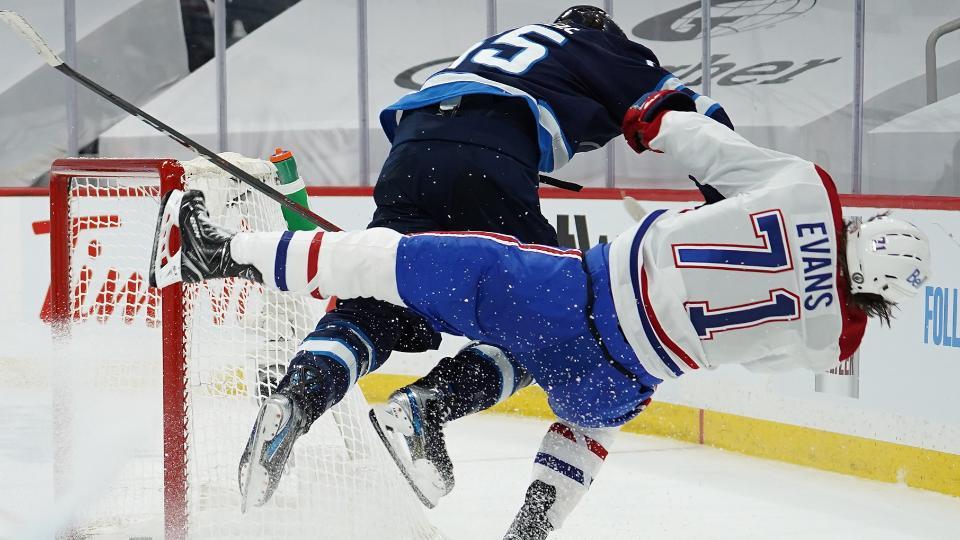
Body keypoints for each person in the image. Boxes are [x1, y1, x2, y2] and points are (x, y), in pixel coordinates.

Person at [154, 89, 931, 537]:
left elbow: (699, 143)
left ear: (857, 228)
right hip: (626, 375)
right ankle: (524, 523)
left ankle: (217, 253)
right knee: (584, 418)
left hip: (576, 295)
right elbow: (747, 351)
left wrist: (650, 119)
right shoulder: (826, 339)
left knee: (394, 260)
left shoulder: (806, 189)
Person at [228, 3, 737, 514]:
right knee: (560, 323)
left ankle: (297, 398)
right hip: (488, 155)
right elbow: (696, 114)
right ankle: (426, 407)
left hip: (412, 149)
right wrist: (727, 205)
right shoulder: (600, 47)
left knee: (376, 301)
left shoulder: (510, 43)